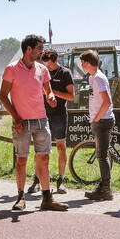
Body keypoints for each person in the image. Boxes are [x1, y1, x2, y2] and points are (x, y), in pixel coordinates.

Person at [0, 35, 67, 212]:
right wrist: (15, 117)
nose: (41, 52)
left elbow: (48, 91)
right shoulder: (11, 69)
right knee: (21, 160)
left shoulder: (42, 69)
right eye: (39, 48)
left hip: (41, 120)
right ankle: (21, 197)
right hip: (21, 122)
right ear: (29, 49)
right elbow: (2, 95)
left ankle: (47, 198)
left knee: (43, 158)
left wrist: (51, 97)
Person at [27, 50, 74, 195]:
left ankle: (61, 180)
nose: (49, 68)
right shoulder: (40, 72)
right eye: (46, 64)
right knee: (39, 149)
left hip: (59, 115)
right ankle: (36, 181)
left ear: (56, 60)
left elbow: (72, 96)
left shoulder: (65, 73)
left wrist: (51, 91)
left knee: (61, 147)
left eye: (51, 65)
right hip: (42, 114)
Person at [78, 50, 115, 200]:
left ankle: (106, 189)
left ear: (87, 62)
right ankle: (103, 187)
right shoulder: (94, 77)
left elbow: (107, 102)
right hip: (101, 120)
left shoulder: (98, 78)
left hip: (103, 121)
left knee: (101, 155)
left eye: (82, 62)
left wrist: (97, 119)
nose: (81, 65)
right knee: (101, 155)